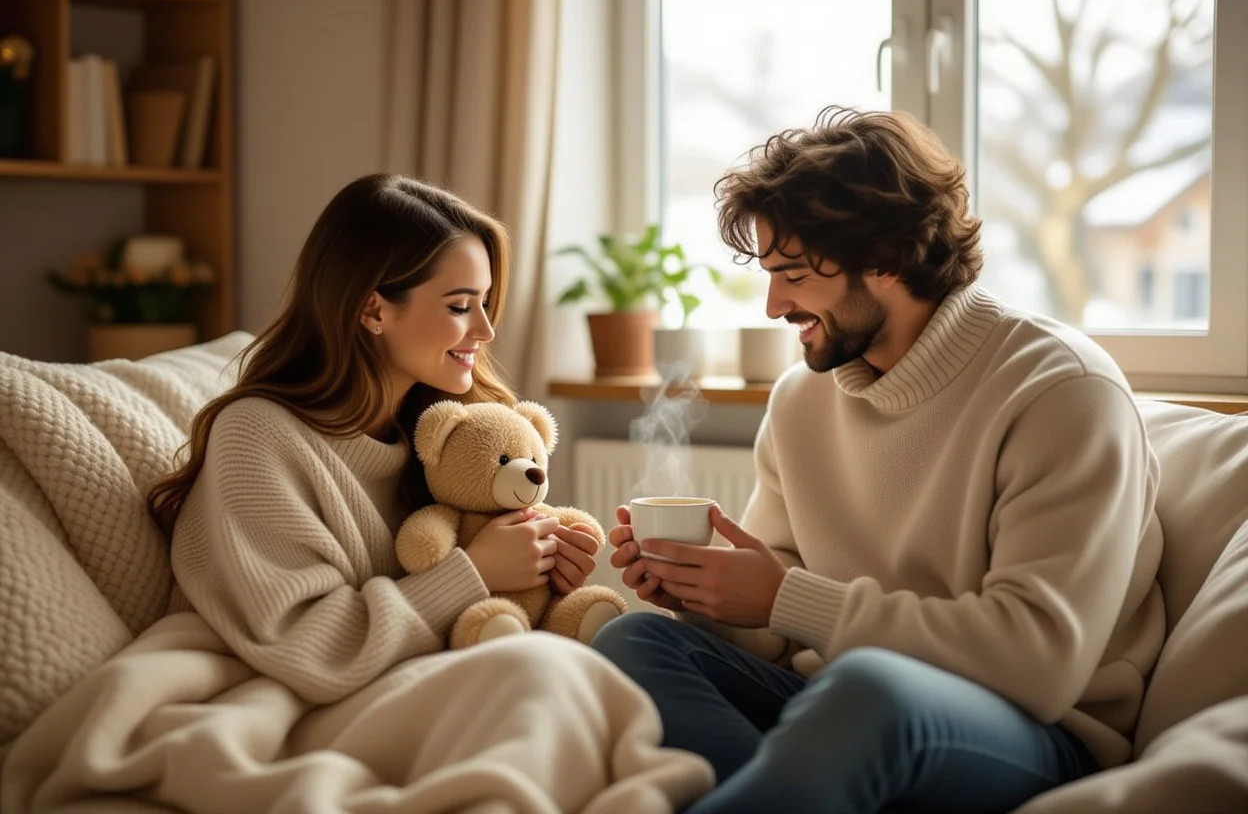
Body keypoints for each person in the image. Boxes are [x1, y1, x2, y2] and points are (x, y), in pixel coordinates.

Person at [592, 107, 1165, 814]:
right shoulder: (803, 400)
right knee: (634, 641)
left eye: (794, 274)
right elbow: (775, 630)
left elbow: (1037, 663)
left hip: (1033, 734)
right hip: (839, 704)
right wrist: (705, 595)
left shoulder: (1062, 391)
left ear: (886, 259)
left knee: (868, 688)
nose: (774, 305)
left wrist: (785, 597)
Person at [148, 173, 605, 702]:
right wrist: (476, 571)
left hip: (407, 682)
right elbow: (307, 648)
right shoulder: (256, 436)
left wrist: (540, 571)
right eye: (459, 306)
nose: (485, 330)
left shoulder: (450, 438)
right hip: (268, 695)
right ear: (373, 310)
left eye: (484, 302)